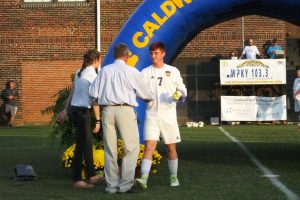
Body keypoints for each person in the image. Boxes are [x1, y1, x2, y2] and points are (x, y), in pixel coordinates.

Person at [89, 43, 154, 194]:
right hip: (125, 110)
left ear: (115, 55)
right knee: (131, 148)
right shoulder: (131, 71)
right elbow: (146, 94)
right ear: (126, 56)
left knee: (110, 149)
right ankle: (125, 185)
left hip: (107, 110)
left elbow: (93, 92)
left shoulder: (104, 70)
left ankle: (111, 186)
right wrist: (149, 99)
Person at [135, 41, 187, 190]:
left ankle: (173, 177)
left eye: (156, 53)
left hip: (169, 117)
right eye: (151, 53)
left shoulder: (173, 71)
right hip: (151, 115)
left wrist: (180, 94)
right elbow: (138, 90)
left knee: (171, 148)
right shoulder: (145, 72)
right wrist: (143, 97)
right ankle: (144, 179)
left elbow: (183, 89)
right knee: (149, 147)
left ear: (163, 54)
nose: (153, 56)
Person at [56, 49, 103, 189]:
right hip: (83, 114)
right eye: (100, 60)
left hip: (76, 112)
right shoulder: (92, 76)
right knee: (81, 146)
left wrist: (65, 110)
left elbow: (72, 93)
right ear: (96, 61)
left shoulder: (79, 72)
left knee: (87, 144)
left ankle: (92, 175)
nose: (100, 62)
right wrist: (98, 121)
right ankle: (77, 180)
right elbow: (95, 100)